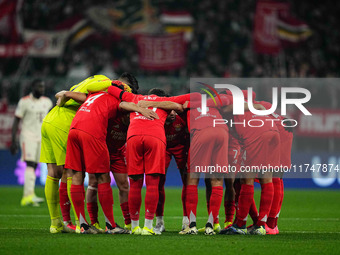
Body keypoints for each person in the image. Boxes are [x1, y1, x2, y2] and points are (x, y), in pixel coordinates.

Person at [64, 82, 158, 234]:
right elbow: (124, 105)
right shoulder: (114, 99)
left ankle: (82, 225)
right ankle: (111, 226)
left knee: (76, 175)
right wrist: (140, 109)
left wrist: (63, 96)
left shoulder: (94, 95)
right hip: (92, 132)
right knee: (103, 178)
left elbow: (68, 93)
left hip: (74, 130)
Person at [108, 83, 197, 235]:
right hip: (155, 137)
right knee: (152, 183)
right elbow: (188, 100)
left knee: (135, 183)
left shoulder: (136, 97)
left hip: (133, 137)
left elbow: (113, 92)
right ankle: (148, 226)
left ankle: (135, 226)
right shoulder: (166, 103)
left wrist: (118, 86)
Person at [40, 75, 112, 233]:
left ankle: (56, 223)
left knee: (53, 172)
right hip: (66, 123)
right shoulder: (106, 84)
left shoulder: (84, 82)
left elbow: (67, 95)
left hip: (49, 120)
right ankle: (81, 224)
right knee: (71, 172)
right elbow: (86, 98)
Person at [10, 79, 52, 206]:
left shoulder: (47, 102)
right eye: (39, 86)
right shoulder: (24, 102)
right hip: (27, 136)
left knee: (34, 166)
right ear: (32, 87)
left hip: (41, 137)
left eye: (43, 87)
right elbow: (16, 121)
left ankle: (30, 195)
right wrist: (13, 140)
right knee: (29, 163)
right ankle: (27, 196)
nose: (42, 89)